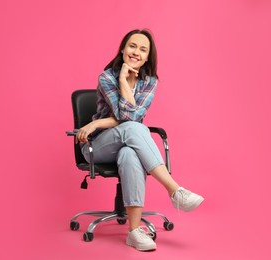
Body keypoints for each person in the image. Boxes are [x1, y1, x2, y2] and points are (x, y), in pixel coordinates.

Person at [75, 29, 204, 251]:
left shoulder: (149, 81)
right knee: (135, 128)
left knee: (130, 152)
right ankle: (174, 190)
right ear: (123, 49)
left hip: (127, 140)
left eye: (143, 49)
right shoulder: (106, 77)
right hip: (96, 147)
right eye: (132, 46)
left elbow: (130, 117)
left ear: (147, 57)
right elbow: (128, 118)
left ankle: (134, 232)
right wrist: (122, 78)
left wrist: (96, 121)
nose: (136, 52)